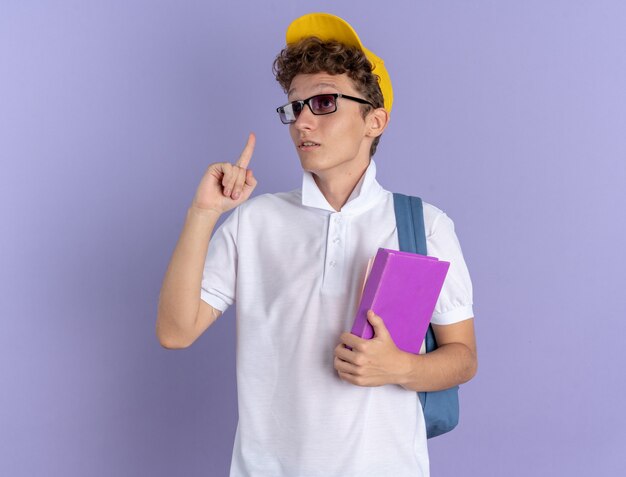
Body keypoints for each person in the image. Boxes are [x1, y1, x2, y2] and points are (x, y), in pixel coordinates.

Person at [156, 12, 477, 477]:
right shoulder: (256, 221)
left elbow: (463, 358)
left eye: (324, 102)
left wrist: (400, 368)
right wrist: (203, 214)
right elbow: (175, 331)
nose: (302, 122)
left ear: (375, 120)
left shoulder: (424, 225)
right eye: (294, 107)